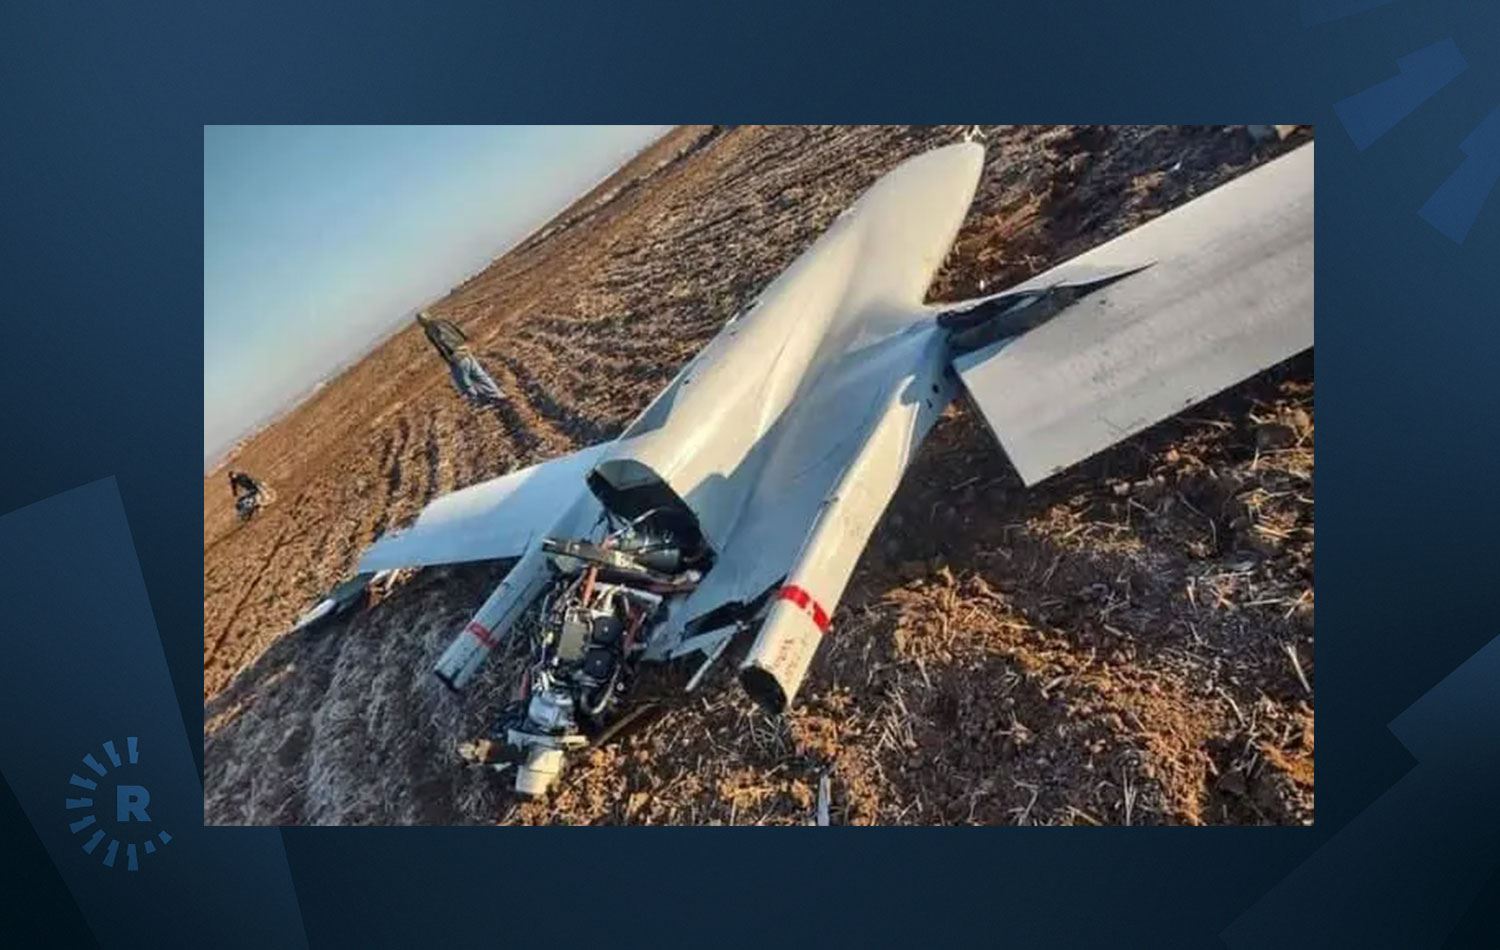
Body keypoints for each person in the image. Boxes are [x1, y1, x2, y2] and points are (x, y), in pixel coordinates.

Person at [417, 311, 507, 408]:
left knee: (464, 382)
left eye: (420, 321)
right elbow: (457, 330)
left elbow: (442, 342)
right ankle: (498, 395)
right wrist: (464, 343)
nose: (420, 323)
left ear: (423, 320)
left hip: (456, 355)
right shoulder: (441, 321)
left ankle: (481, 402)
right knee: (479, 375)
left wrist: (450, 357)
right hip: (464, 350)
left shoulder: (431, 329)